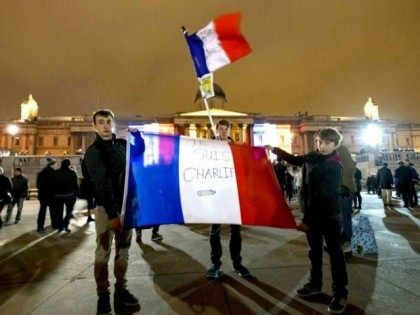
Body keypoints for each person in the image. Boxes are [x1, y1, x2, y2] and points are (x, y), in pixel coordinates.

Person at [266, 128, 348, 314]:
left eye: (327, 143)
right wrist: (275, 150)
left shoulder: (334, 165)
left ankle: (340, 293)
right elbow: (296, 160)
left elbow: (322, 196)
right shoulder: (313, 157)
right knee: (315, 251)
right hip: (312, 214)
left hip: (328, 216)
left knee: (335, 254)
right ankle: (315, 284)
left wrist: (306, 220)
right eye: (319, 141)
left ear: (336, 145)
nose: (322, 145)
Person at [84, 109, 140, 314]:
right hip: (106, 209)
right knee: (103, 252)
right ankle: (103, 294)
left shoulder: (123, 145)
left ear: (113, 124)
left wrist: (140, 139)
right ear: (95, 127)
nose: (106, 125)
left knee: (123, 250)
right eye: (101, 122)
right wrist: (113, 214)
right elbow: (101, 184)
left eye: (108, 121)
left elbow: (140, 156)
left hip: (126, 206)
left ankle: (121, 289)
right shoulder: (94, 152)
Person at [206, 119, 251, 279]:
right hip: (216, 195)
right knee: (214, 232)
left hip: (232, 195)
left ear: (230, 130)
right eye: (221, 129)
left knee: (236, 232)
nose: (223, 131)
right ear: (216, 130)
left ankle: (237, 263)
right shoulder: (207, 147)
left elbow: (246, 165)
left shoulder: (237, 148)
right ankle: (215, 263)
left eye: (226, 129)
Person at [336, 145, 356, 255]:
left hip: (343, 192)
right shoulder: (349, 161)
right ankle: (344, 240)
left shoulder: (342, 162)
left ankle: (346, 242)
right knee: (344, 217)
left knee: (344, 217)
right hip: (347, 190)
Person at [52, 158, 78, 234]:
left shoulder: (56, 172)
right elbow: (75, 185)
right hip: (69, 195)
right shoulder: (72, 173)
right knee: (69, 211)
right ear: (69, 164)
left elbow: (52, 185)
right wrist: (75, 194)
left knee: (59, 212)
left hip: (58, 196)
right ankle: (65, 225)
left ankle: (60, 227)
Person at [36, 157, 58, 232]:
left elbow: (38, 185)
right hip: (52, 195)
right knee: (53, 211)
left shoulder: (41, 173)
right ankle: (54, 225)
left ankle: (40, 226)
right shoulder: (54, 173)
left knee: (42, 211)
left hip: (42, 195)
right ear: (53, 164)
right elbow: (56, 185)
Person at [80, 157, 95, 223]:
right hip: (91, 183)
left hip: (86, 182)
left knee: (89, 200)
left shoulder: (84, 162)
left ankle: (90, 216)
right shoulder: (90, 162)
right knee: (91, 200)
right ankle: (90, 216)